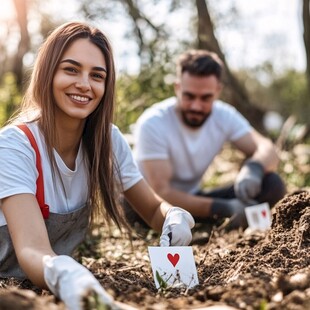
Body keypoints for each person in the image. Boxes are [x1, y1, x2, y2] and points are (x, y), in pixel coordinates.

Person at [0, 22, 195, 310]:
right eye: (71, 69)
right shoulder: (14, 146)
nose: (84, 84)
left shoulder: (107, 141)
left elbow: (152, 209)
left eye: (97, 75)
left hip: (52, 286)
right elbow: (32, 249)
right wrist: (63, 274)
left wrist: (173, 216)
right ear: (47, 72)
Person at [128, 49, 286, 229]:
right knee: (149, 214)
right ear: (177, 87)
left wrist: (253, 169)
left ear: (218, 91)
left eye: (205, 98)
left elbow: (267, 148)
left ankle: (216, 222)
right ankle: (218, 220)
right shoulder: (153, 123)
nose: (196, 106)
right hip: (149, 205)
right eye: (189, 96)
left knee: (272, 184)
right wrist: (224, 207)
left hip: (194, 197)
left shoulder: (224, 115)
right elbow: (162, 192)